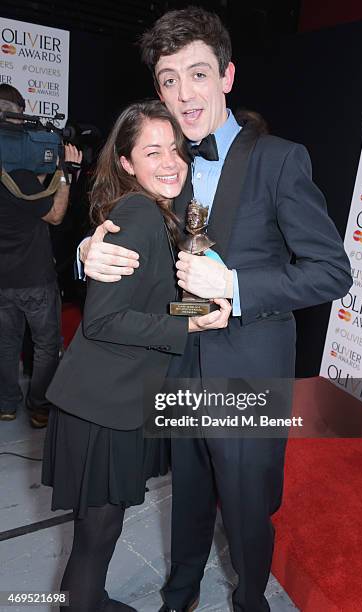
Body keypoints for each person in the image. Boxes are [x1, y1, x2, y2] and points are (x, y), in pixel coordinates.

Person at [80, 7, 353, 611]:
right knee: (190, 492)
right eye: (169, 80)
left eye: (198, 74)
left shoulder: (281, 159)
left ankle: (249, 597)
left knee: (248, 502)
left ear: (227, 76)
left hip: (249, 364)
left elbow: (332, 272)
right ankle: (179, 592)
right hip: (178, 357)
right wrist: (85, 253)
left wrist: (237, 284)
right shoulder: (161, 164)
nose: (184, 93)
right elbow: (123, 236)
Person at [41, 100, 231, 612]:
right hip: (103, 407)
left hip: (108, 402)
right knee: (97, 532)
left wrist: (193, 305)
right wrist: (188, 321)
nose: (170, 162)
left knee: (97, 530)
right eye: (153, 151)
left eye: (174, 149)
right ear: (126, 163)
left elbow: (140, 300)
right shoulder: (139, 214)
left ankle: (88, 599)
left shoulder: (151, 212)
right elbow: (104, 320)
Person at [0, 84, 82, 428]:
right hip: (35, 279)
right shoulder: (20, 177)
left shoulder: (19, 176)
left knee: (6, 345)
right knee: (47, 345)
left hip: (3, 281)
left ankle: (6, 404)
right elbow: (55, 215)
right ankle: (38, 407)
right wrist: (66, 171)